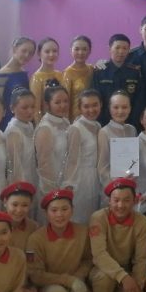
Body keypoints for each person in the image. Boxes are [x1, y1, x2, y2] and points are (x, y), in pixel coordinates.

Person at [27, 188, 103, 292]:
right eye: (54, 210)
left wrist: (79, 277)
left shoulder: (82, 232)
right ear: (46, 213)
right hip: (52, 286)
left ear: (72, 210)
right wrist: (69, 281)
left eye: (64, 209)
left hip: (78, 283)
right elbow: (35, 274)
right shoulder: (35, 239)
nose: (59, 214)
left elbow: (88, 259)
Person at [88, 177, 146, 292]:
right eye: (116, 200)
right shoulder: (98, 218)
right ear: (109, 201)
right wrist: (123, 277)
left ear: (134, 201)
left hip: (126, 269)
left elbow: (142, 258)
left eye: (126, 200)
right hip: (103, 269)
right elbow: (99, 255)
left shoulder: (142, 221)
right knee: (103, 278)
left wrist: (138, 283)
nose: (121, 205)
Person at [62, 89, 101, 224]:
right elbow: (72, 159)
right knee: (80, 218)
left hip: (95, 177)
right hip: (81, 180)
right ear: (80, 108)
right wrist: (69, 184)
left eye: (95, 105)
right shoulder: (76, 128)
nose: (91, 110)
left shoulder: (98, 125)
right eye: (86, 106)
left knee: (94, 218)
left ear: (100, 105)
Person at [92, 34, 142, 127]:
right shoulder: (100, 71)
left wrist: (134, 121)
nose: (121, 51)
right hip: (105, 122)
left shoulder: (135, 72)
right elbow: (96, 99)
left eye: (124, 48)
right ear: (110, 49)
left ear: (128, 50)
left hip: (129, 122)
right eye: (117, 47)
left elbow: (139, 100)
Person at [96, 90, 137, 202]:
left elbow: (133, 160)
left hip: (129, 186)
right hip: (111, 190)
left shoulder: (132, 130)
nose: (120, 111)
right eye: (116, 107)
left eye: (124, 107)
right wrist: (116, 184)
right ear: (109, 108)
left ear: (130, 108)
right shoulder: (104, 132)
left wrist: (131, 178)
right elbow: (102, 167)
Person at [35, 84, 71, 207]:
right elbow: (44, 165)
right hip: (51, 186)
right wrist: (53, 192)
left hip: (66, 182)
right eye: (57, 102)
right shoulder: (45, 128)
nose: (63, 105)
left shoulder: (66, 122)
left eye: (66, 101)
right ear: (47, 104)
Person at [0, 36, 36, 129]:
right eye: (24, 51)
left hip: (23, 119)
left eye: (30, 53)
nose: (27, 55)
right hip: (7, 121)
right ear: (15, 49)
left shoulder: (23, 72)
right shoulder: (2, 74)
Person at [4, 88, 38, 189]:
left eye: (32, 107)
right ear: (12, 108)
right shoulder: (13, 132)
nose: (30, 111)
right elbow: (15, 168)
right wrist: (23, 189)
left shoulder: (29, 125)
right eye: (25, 107)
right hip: (20, 183)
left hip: (32, 177)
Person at [29, 37, 65, 121]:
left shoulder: (60, 75)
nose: (51, 54)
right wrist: (40, 125)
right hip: (45, 122)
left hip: (61, 121)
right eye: (47, 51)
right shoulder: (36, 77)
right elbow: (36, 109)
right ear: (39, 53)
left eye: (55, 51)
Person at [62, 35, 94, 121]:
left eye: (84, 49)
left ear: (89, 51)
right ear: (71, 50)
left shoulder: (92, 69)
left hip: (92, 114)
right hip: (75, 118)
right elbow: (65, 101)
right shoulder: (68, 73)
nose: (80, 52)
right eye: (77, 49)